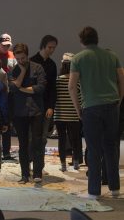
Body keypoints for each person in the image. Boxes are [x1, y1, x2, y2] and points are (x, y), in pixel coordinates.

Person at [69, 26, 124, 199]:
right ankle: (115, 189)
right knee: (111, 147)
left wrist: (79, 109)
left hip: (91, 108)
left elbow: (72, 86)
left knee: (93, 150)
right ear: (97, 38)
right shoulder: (112, 56)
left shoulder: (78, 59)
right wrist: (119, 99)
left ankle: (94, 192)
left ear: (81, 41)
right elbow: (122, 78)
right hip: (111, 105)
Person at [9, 43, 46, 183]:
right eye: (18, 59)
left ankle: (37, 173)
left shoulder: (38, 67)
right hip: (19, 111)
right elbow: (13, 88)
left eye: (23, 58)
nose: (21, 61)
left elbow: (41, 88)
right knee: (22, 144)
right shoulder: (13, 71)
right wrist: (23, 72)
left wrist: (23, 89)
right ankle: (25, 174)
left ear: (27, 55)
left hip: (36, 110)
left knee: (37, 142)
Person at [30, 35, 58, 160]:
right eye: (49, 47)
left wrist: (51, 106)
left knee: (43, 138)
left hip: (46, 104)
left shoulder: (52, 64)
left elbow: (53, 87)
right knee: (31, 136)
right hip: (32, 104)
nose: (51, 50)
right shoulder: (32, 61)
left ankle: (39, 163)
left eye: (54, 48)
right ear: (43, 46)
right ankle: (29, 162)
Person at [54, 53, 82, 172]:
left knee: (62, 140)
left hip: (60, 115)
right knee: (75, 139)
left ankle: (63, 165)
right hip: (74, 115)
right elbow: (80, 97)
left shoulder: (57, 80)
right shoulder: (77, 81)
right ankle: (76, 163)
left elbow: (55, 98)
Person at [0, 33, 17, 161]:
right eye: (4, 45)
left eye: (8, 45)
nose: (6, 48)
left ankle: (6, 152)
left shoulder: (12, 55)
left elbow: (16, 71)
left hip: (9, 92)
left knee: (7, 121)